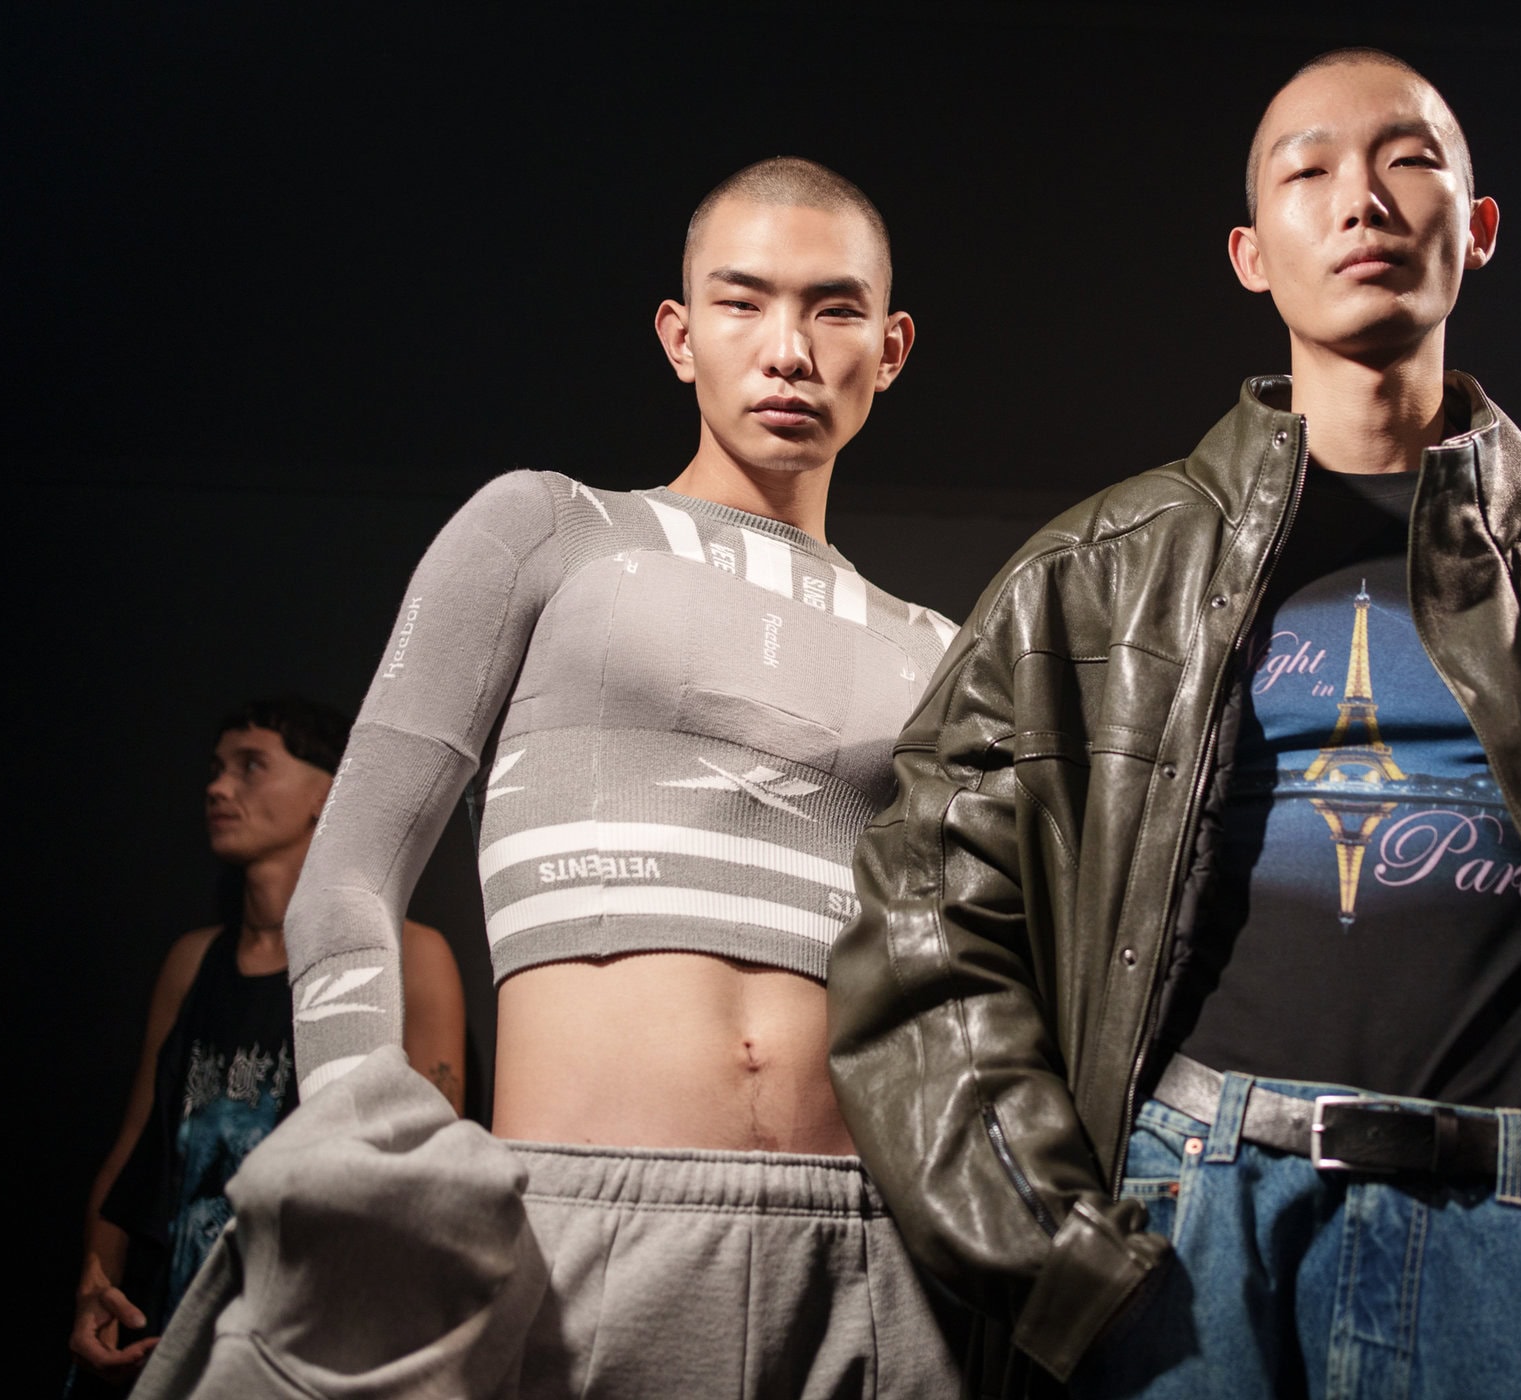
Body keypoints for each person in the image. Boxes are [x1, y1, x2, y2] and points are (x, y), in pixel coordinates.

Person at [829, 48, 1521, 1400]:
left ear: (1478, 228)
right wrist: (1063, 1269)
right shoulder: (1088, 580)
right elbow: (922, 935)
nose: (1362, 199)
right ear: (1250, 253)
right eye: (1308, 171)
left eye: (1408, 159)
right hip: (1189, 1250)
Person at [133, 158, 961, 1399]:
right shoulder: (549, 530)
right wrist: (362, 1143)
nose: (787, 348)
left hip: (871, 1251)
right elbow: (348, 874)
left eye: (833, 308)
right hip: (577, 1235)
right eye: (742, 302)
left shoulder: (939, 646)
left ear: (889, 349)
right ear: (679, 335)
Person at [68, 697, 465, 1391]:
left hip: (311, 1340)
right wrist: (93, 1288)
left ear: (326, 794)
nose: (218, 788)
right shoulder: (193, 961)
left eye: (251, 766)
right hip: (167, 1328)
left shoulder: (408, 955)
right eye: (215, 769)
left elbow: (430, 1167)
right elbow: (134, 1149)